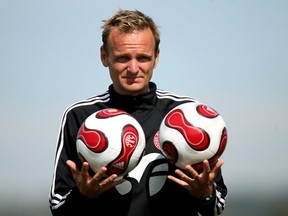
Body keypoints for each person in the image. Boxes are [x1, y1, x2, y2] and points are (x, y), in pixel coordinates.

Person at [49, 9, 227, 216]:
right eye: (123, 58)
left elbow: (217, 206)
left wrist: (204, 194)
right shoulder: (80, 117)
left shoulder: (189, 116)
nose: (133, 68)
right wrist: (84, 195)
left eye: (143, 57)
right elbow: (58, 207)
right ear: (104, 56)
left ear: (156, 57)